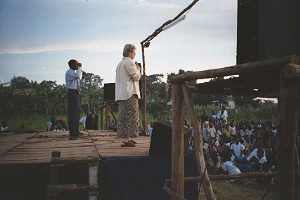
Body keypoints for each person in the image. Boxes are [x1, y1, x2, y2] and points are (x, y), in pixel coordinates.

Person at [115, 44, 141, 147]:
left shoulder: (120, 64)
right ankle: (125, 140)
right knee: (130, 117)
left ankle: (128, 138)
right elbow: (136, 77)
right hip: (129, 93)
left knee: (125, 116)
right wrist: (138, 70)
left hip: (122, 93)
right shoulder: (130, 63)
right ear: (129, 52)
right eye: (134, 52)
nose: (135, 54)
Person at [65, 59, 86, 140]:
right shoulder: (69, 72)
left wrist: (83, 78)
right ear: (72, 65)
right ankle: (72, 132)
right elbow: (77, 76)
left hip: (76, 92)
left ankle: (75, 130)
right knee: (73, 113)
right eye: (76, 64)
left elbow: (80, 83)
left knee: (77, 112)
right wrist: (80, 68)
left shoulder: (74, 73)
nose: (78, 65)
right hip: (72, 93)